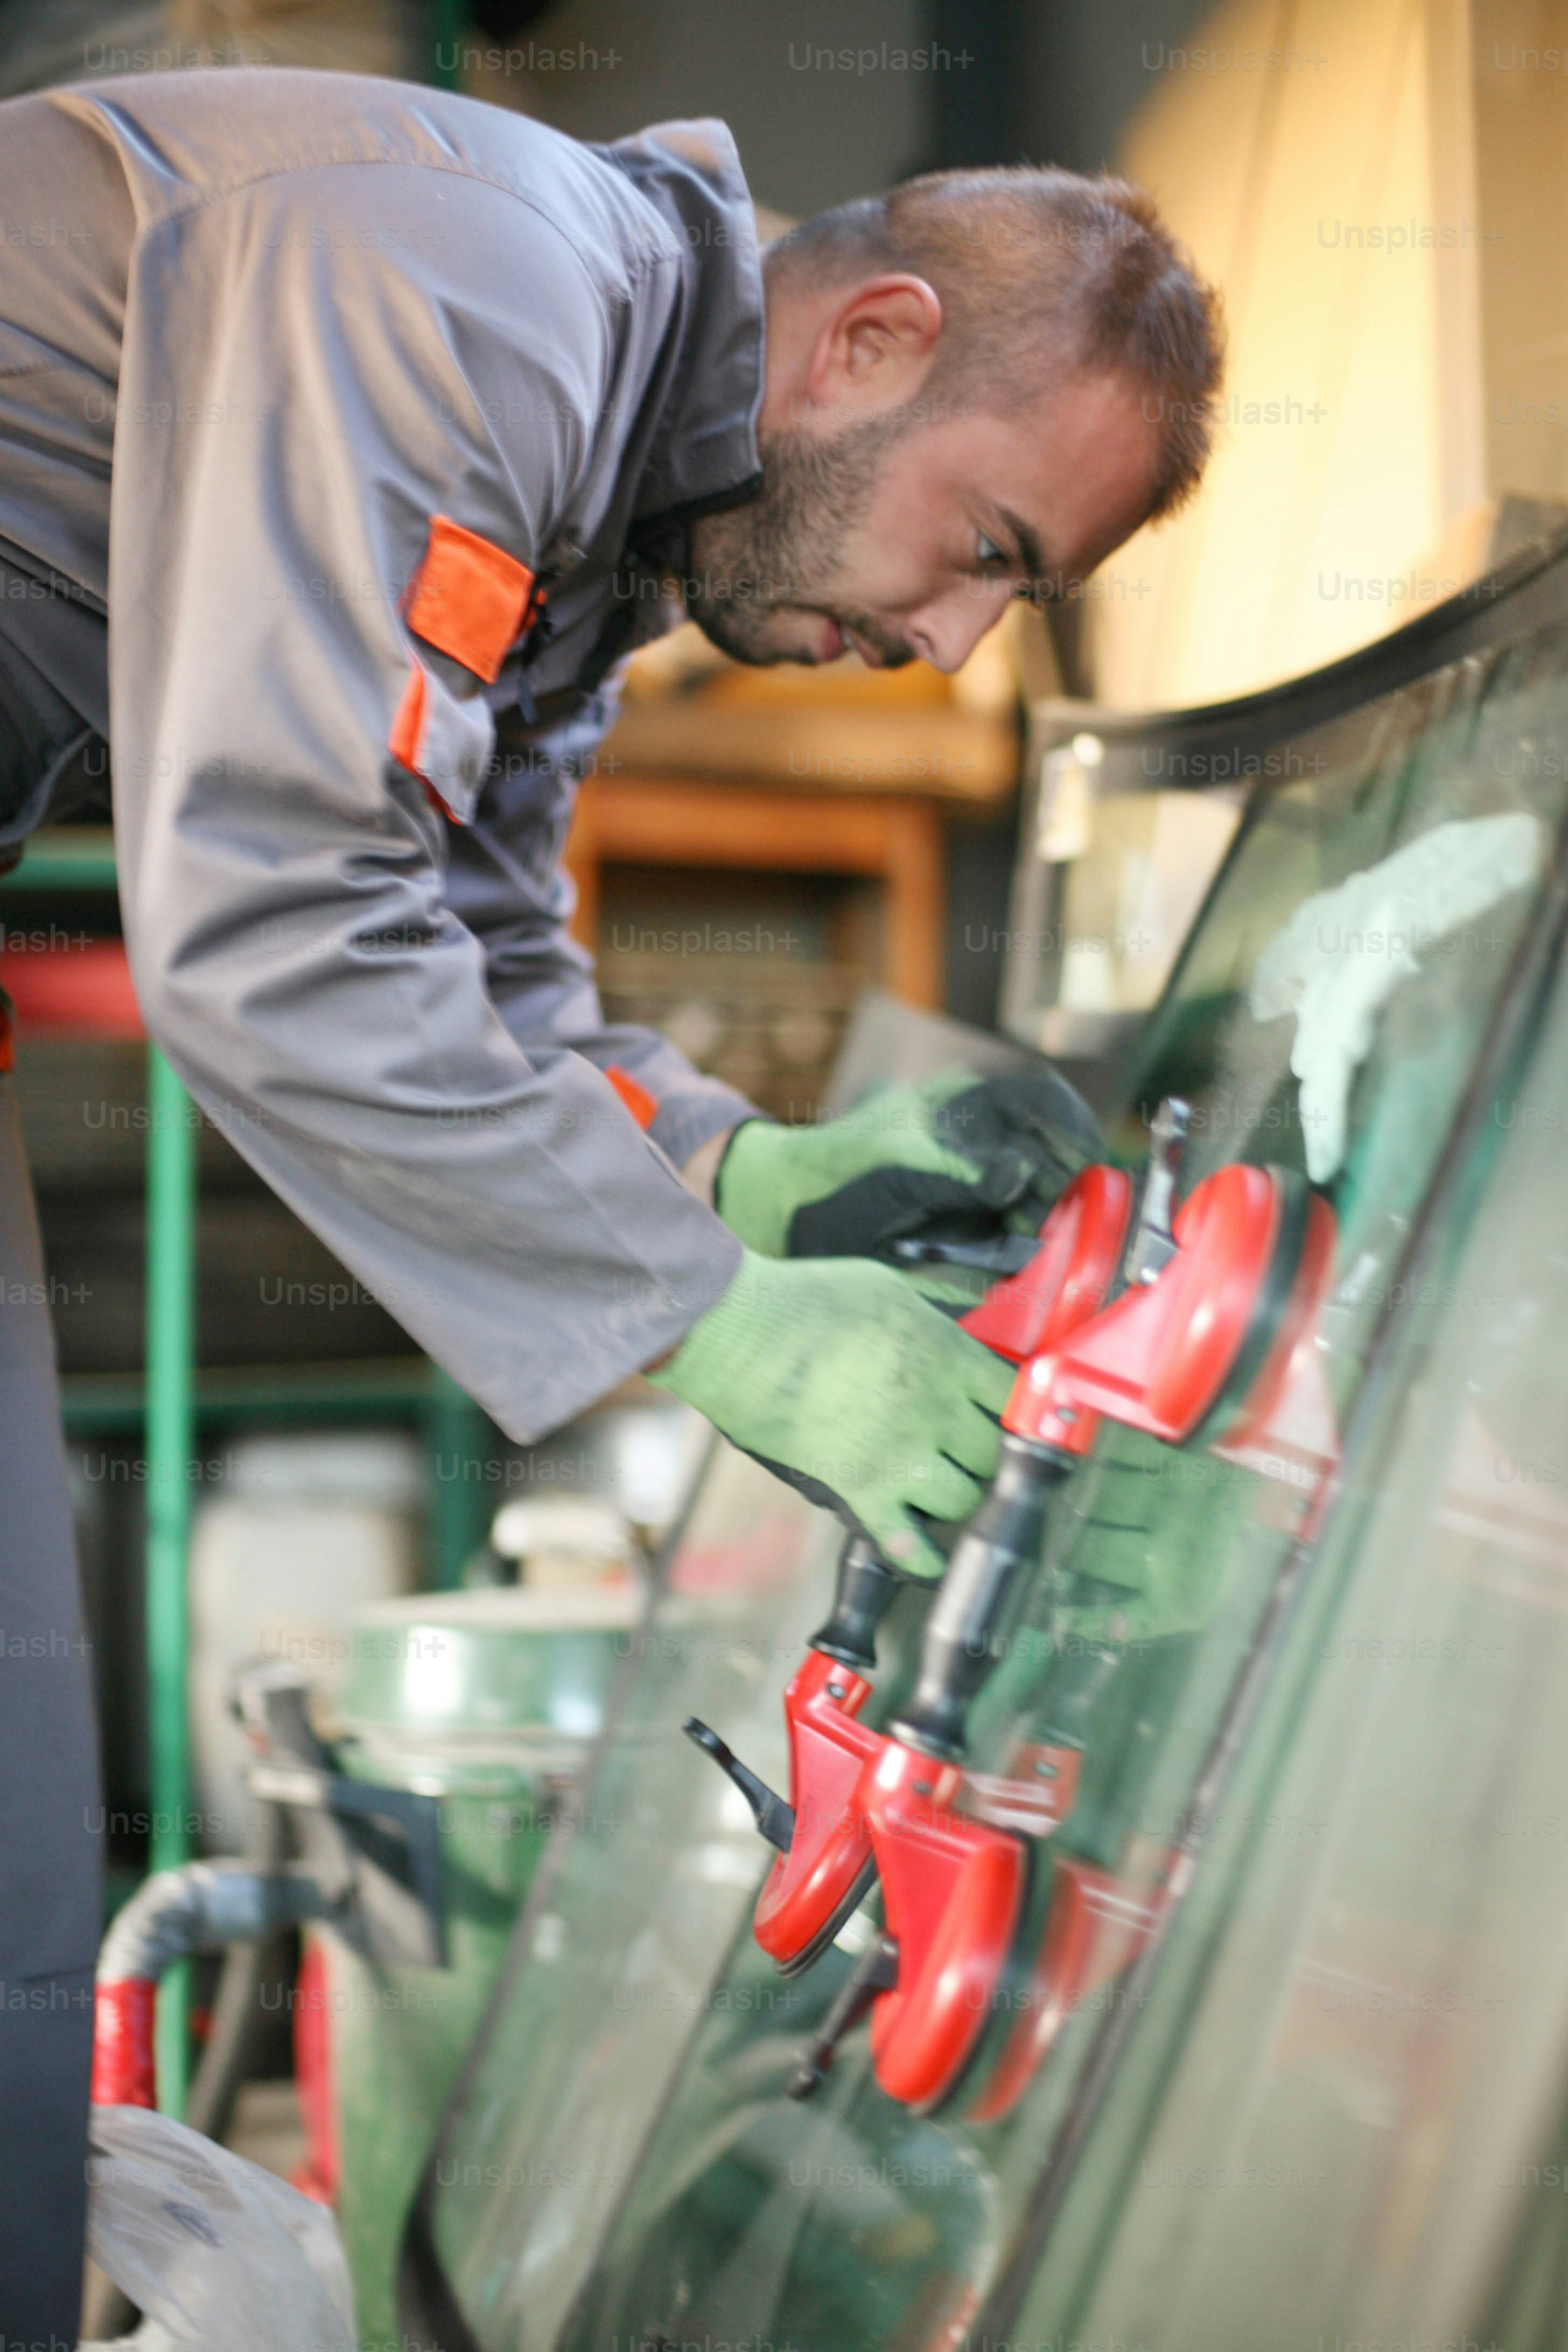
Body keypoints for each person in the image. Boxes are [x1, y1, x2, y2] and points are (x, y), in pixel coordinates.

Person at [0, 66, 1222, 2333]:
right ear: (861, 342)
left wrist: (740, 1168)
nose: (951, 650)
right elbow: (273, 916)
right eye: (985, 553)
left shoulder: (593, 511)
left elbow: (461, 941)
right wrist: (710, 1317)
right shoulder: (468, 292)